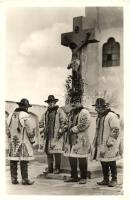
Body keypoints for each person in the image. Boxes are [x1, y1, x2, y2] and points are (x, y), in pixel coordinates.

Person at [92, 98, 123, 187]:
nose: (96, 109)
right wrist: (96, 140)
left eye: (97, 107)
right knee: (103, 161)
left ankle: (114, 179)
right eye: (96, 107)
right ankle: (106, 179)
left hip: (110, 143)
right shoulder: (100, 117)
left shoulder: (111, 116)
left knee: (111, 161)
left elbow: (115, 129)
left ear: (102, 107)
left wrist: (111, 141)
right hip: (101, 143)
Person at [6, 98, 36, 185]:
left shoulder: (11, 115)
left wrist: (9, 135)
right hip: (23, 141)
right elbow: (29, 129)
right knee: (23, 160)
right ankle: (25, 179)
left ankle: (14, 179)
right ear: (26, 107)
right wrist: (32, 140)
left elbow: (6, 127)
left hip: (13, 142)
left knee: (13, 160)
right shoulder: (25, 115)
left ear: (19, 105)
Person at [64, 95, 91, 184]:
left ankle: (83, 177)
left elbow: (84, 124)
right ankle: (74, 176)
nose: (74, 104)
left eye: (76, 102)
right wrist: (65, 128)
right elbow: (66, 122)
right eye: (73, 102)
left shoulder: (85, 112)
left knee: (82, 158)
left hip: (81, 139)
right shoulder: (71, 113)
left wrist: (73, 129)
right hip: (70, 139)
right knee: (72, 157)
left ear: (80, 102)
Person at [39, 95, 66, 174]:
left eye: (52, 102)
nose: (51, 104)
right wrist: (42, 131)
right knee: (48, 152)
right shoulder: (46, 112)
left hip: (56, 135)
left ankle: (57, 168)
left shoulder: (59, 111)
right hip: (48, 136)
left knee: (57, 152)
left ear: (55, 103)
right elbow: (41, 122)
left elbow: (63, 121)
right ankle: (50, 168)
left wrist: (61, 131)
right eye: (49, 103)